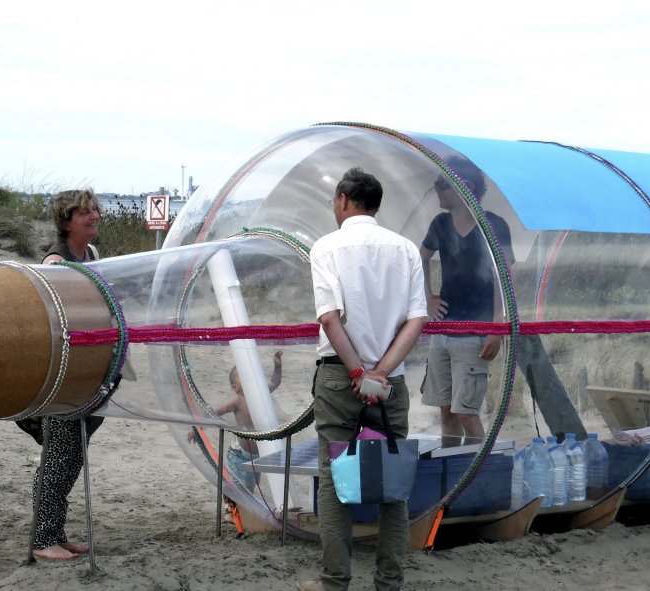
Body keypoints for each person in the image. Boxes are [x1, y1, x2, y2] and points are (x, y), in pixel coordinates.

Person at [299, 168, 428, 591]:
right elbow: (416, 319)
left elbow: (329, 318)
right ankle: (390, 580)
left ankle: (335, 580)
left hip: (339, 377)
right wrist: (380, 373)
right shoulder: (405, 249)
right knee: (394, 484)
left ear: (342, 200)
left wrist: (358, 373)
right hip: (392, 382)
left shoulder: (327, 247)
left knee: (335, 483)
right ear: (376, 204)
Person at [26, 189, 107, 560]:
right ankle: (43, 541)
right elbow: (54, 322)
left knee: (71, 455)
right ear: (65, 221)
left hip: (87, 369)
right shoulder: (56, 261)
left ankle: (54, 532)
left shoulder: (90, 255)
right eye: (84, 212)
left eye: (94, 209)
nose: (93, 215)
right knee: (59, 455)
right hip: (64, 374)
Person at [419, 158, 514, 442]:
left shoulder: (494, 226)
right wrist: (428, 298)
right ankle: (453, 473)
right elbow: (419, 258)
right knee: (446, 412)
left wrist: (496, 328)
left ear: (464, 188)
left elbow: (504, 277)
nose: (437, 190)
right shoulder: (440, 224)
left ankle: (479, 475)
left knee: (466, 413)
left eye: (442, 185)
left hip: (475, 334)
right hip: (443, 332)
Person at [188, 351, 283, 490]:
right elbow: (215, 412)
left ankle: (242, 511)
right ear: (235, 387)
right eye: (244, 376)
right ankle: (231, 511)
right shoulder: (238, 401)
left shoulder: (261, 393)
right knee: (233, 487)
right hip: (239, 454)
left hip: (256, 455)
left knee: (249, 489)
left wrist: (277, 366)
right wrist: (197, 428)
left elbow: (275, 382)